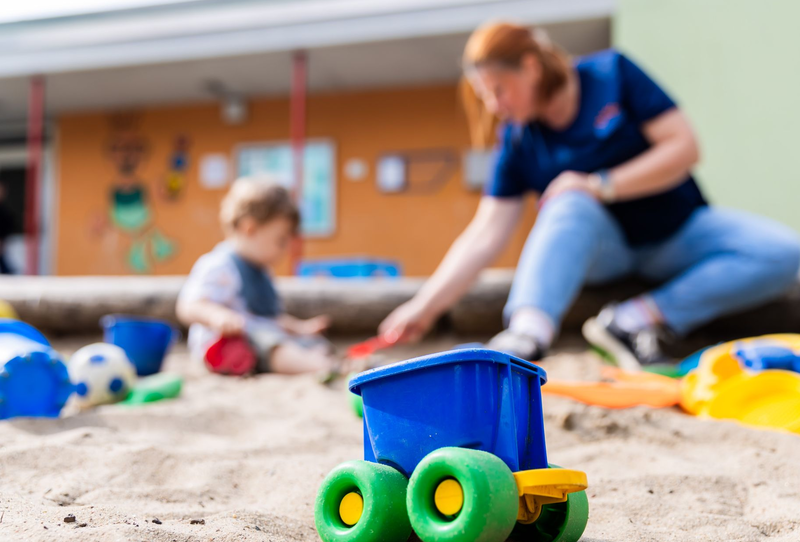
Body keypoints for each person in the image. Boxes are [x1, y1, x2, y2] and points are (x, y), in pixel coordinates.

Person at [380, 22, 800, 369]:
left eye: (498, 89)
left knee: (783, 251)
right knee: (567, 201)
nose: (493, 105)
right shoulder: (517, 139)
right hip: (606, 254)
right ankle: (526, 334)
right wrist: (424, 307)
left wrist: (600, 184)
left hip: (678, 231)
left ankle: (637, 318)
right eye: (485, 95)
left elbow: (684, 147)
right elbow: (485, 233)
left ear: (530, 67)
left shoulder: (613, 74)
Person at [177, 177, 333, 375]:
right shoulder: (220, 265)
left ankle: (316, 358)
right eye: (280, 240)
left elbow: (270, 318)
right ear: (250, 229)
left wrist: (300, 328)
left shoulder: (262, 271)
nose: (284, 250)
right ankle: (317, 366)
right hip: (226, 346)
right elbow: (188, 306)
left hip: (263, 336)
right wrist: (217, 316)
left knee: (311, 342)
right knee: (272, 345)